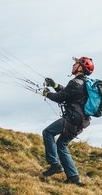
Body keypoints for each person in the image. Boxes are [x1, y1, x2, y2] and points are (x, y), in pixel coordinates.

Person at [40, 56, 94, 185]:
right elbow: (67, 92)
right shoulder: (84, 84)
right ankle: (74, 178)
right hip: (81, 122)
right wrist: (54, 85)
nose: (73, 66)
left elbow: (61, 97)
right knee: (61, 145)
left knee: (47, 132)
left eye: (76, 64)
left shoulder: (75, 83)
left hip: (72, 119)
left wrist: (47, 94)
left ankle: (55, 164)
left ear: (80, 68)